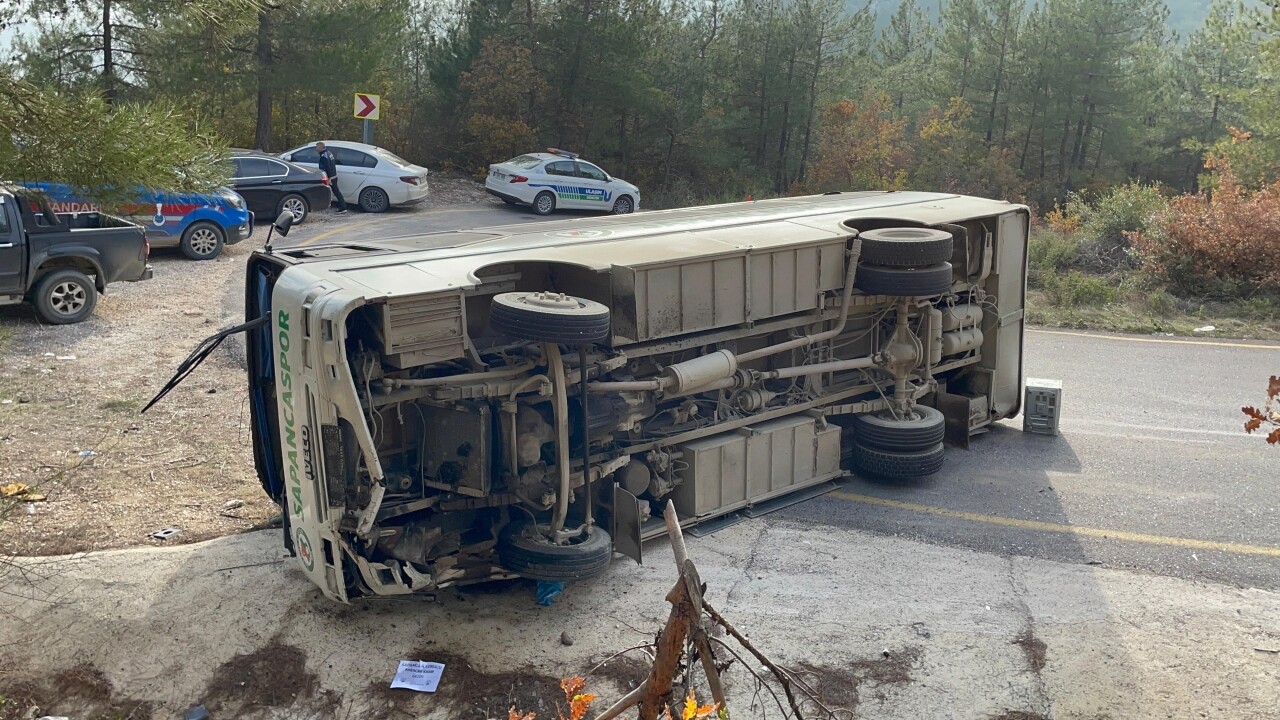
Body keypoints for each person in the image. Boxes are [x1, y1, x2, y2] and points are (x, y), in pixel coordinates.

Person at [315, 142, 347, 214]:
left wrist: (329, 178)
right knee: (333, 191)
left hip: (330, 178)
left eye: (317, 147)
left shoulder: (324, 156)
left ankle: (343, 207)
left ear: (321, 147)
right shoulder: (328, 153)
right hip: (333, 176)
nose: (316, 149)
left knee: (336, 192)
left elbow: (327, 168)